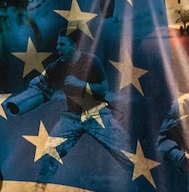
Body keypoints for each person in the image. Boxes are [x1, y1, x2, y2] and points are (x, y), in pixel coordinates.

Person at [31, 29, 133, 184]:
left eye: (62, 44)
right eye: (57, 44)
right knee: (49, 152)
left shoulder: (92, 61)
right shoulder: (56, 66)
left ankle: (149, 191)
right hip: (72, 117)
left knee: (128, 154)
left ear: (74, 46)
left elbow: (103, 88)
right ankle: (39, 190)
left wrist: (81, 84)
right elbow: (40, 86)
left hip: (97, 114)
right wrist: (33, 89)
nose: (57, 48)